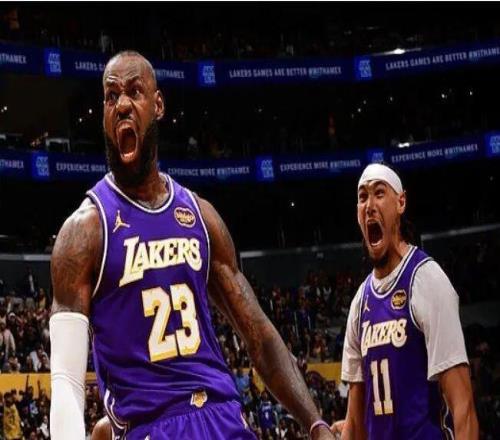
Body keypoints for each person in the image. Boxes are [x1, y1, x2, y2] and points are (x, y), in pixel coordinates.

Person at [49, 51, 333, 440]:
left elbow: (259, 336)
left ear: (158, 105)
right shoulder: (84, 231)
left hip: (222, 417)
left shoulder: (201, 216)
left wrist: (315, 423)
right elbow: (66, 381)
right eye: (111, 96)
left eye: (134, 91)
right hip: (152, 425)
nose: (122, 104)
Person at [338, 163, 479, 439]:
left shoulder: (426, 280)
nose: (369, 205)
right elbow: (354, 423)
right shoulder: (360, 302)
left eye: (379, 193)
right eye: (362, 197)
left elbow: (463, 408)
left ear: (401, 202)